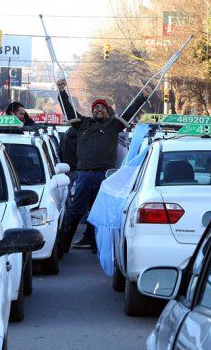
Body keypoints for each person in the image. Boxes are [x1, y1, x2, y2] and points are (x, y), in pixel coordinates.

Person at [58, 78, 150, 252]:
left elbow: (129, 113)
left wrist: (142, 97)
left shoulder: (113, 126)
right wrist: (62, 92)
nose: (98, 109)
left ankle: (96, 247)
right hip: (84, 174)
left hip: (104, 175)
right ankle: (63, 246)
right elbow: (69, 112)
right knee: (76, 211)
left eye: (102, 107)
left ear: (107, 112)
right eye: (95, 108)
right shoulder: (82, 123)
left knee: (98, 211)